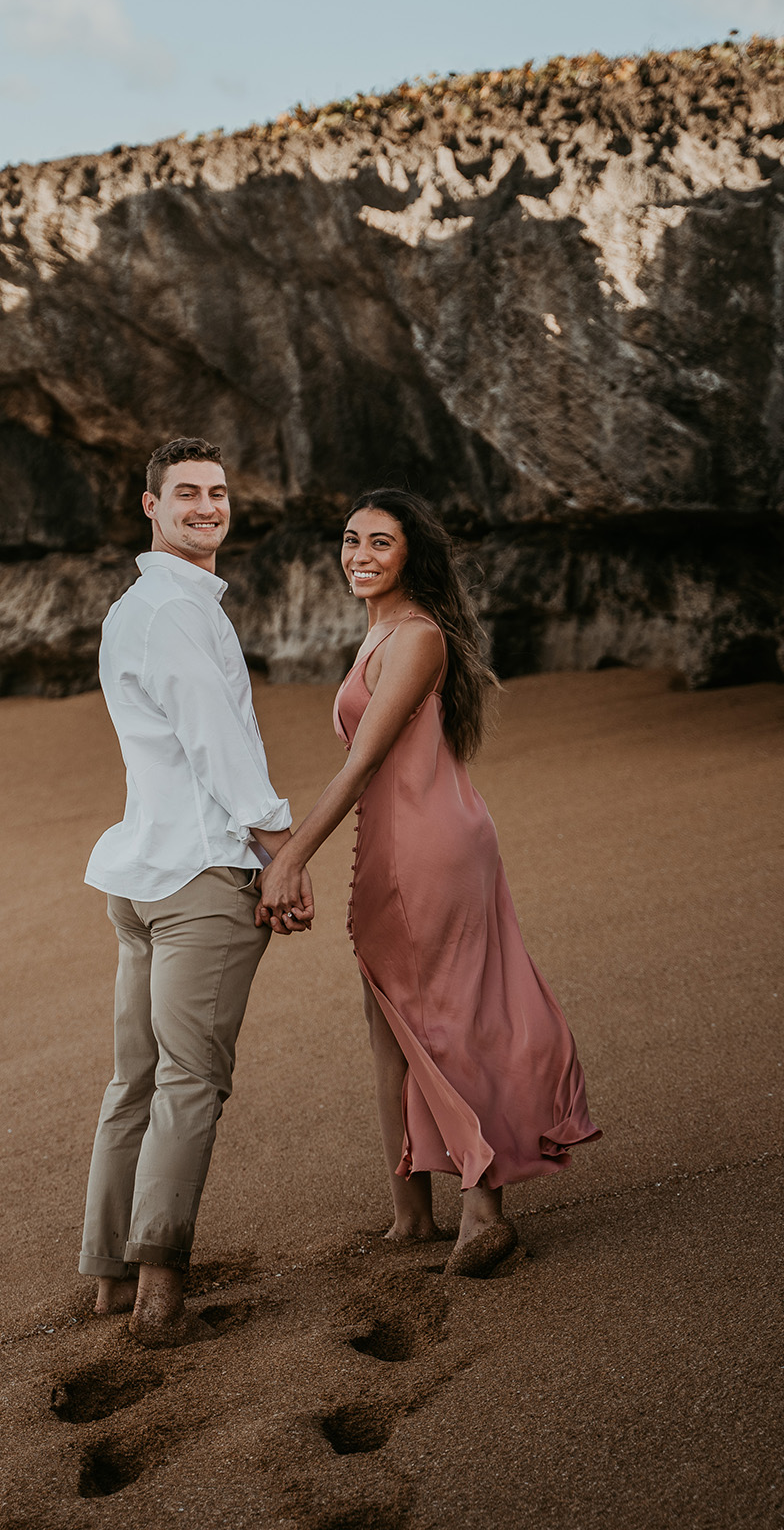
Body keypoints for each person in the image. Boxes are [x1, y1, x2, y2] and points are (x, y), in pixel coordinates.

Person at [257, 488, 600, 1277]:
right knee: (391, 1028)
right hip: (398, 847)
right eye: (351, 540)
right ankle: (410, 1215)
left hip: (430, 852)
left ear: (412, 555)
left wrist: (291, 855)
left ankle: (482, 1214)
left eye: (381, 542)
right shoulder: (379, 633)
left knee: (442, 1019)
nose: (361, 555)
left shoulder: (416, 639)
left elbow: (365, 759)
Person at [80, 436, 313, 1344]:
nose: (208, 507)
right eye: (187, 494)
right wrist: (281, 851)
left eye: (218, 493)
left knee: (135, 1083)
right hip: (198, 879)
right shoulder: (179, 613)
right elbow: (222, 746)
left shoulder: (136, 607)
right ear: (151, 506)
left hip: (141, 875)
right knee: (188, 1084)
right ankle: (160, 1296)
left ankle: (108, 1278)